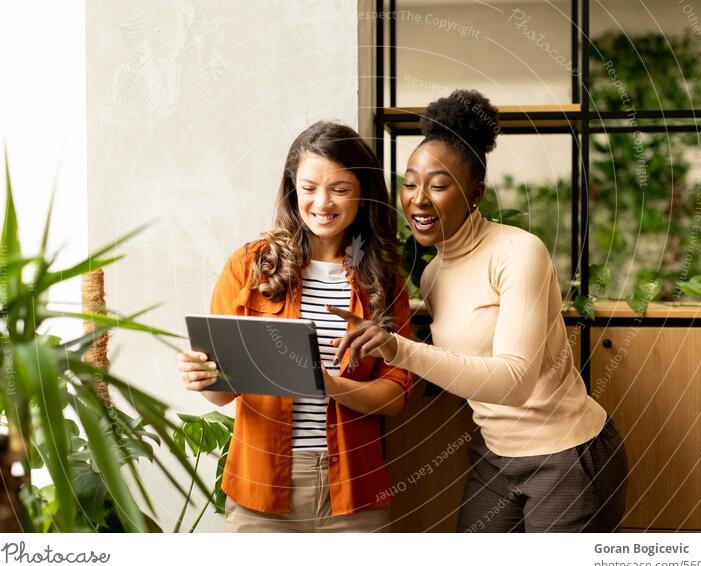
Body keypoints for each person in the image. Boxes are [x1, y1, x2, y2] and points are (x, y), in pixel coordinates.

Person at [328, 89, 628, 533]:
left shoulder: (519, 252)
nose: (419, 199)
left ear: (475, 192)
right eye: (410, 184)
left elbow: (514, 380)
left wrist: (399, 349)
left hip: (567, 454)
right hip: (495, 455)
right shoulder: (431, 279)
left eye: (440, 185)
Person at [177, 120, 413, 532]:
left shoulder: (384, 281)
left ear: (363, 192)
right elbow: (222, 396)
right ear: (292, 189)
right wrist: (203, 377)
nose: (322, 202)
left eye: (340, 189)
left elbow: (395, 398)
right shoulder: (249, 267)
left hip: (355, 495)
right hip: (263, 492)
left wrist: (326, 384)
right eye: (309, 188)